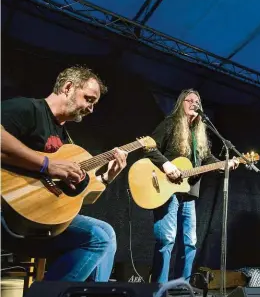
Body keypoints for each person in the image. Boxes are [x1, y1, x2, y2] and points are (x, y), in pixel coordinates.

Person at [1, 65, 128, 281]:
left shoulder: (66, 140)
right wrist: (47, 164)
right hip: (8, 211)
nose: (91, 109)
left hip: (38, 222)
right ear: (68, 87)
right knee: (98, 238)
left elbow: (82, 199)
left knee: (106, 233)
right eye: (89, 99)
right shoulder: (29, 109)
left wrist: (107, 177)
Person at [145, 88, 239, 284]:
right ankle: (158, 287)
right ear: (181, 104)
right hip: (166, 189)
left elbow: (206, 159)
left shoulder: (200, 134)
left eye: (197, 101)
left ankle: (182, 286)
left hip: (189, 193)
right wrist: (167, 165)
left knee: (189, 243)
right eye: (189, 100)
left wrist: (225, 164)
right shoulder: (170, 123)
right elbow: (149, 147)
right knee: (167, 239)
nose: (193, 104)